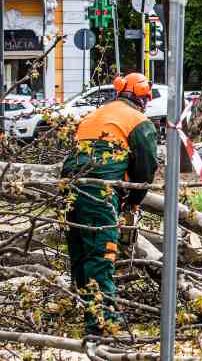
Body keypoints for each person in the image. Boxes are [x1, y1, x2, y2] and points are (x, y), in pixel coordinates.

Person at [63, 72, 158, 335]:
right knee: (101, 255)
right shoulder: (139, 121)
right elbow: (146, 168)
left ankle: (86, 307)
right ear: (142, 98)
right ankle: (100, 324)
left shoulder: (94, 115)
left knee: (80, 252)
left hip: (70, 189)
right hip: (99, 193)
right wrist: (133, 203)